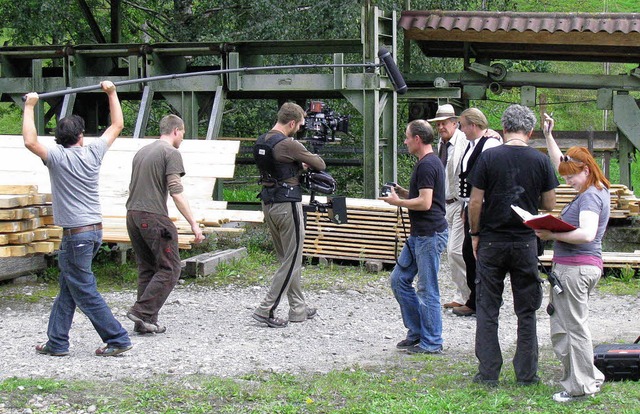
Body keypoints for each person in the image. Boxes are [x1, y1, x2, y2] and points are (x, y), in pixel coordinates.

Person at [23, 82, 133, 357]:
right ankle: (57, 341)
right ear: (81, 136)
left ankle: (117, 337)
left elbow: (29, 141)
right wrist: (111, 92)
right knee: (69, 286)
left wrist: (29, 106)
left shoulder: (56, 156)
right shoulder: (93, 152)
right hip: (93, 231)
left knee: (83, 289)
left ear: (59, 138)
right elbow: (117, 124)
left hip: (75, 235)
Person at [467, 104, 558, 385]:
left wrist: (475, 233)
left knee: (487, 308)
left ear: (503, 128)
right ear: (530, 131)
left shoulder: (488, 157)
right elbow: (550, 205)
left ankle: (489, 373)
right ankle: (527, 374)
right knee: (527, 310)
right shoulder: (540, 160)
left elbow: (475, 201)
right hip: (525, 242)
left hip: (492, 241)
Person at [536, 113, 608, 402]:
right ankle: (589, 375)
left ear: (586, 170)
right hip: (578, 268)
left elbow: (587, 234)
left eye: (571, 177)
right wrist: (549, 136)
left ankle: (580, 387)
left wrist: (552, 235)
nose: (567, 182)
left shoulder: (590, 197)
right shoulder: (597, 188)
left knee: (573, 328)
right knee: (566, 325)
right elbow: (561, 162)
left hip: (576, 269)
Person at [126, 114, 205, 334]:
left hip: (132, 214)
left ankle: (145, 322)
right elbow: (176, 190)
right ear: (176, 131)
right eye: (183, 134)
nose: (182, 138)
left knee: (148, 269)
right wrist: (194, 224)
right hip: (153, 217)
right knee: (170, 268)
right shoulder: (171, 152)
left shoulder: (142, 151)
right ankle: (142, 311)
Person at [252, 102, 325, 328]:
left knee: (287, 259)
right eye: (300, 125)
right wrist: (303, 162)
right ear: (291, 123)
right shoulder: (289, 144)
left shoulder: (262, 141)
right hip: (287, 204)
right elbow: (319, 164)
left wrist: (296, 167)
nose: (300, 129)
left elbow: (277, 167)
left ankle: (298, 308)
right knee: (293, 260)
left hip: (268, 203)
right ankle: (266, 310)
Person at [381, 119, 448, 354]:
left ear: (417, 139)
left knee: (427, 289)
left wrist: (398, 202)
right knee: (399, 280)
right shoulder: (427, 162)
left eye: (407, 137)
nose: (405, 141)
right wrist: (404, 193)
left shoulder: (428, 165)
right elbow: (423, 196)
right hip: (420, 234)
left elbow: (426, 202)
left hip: (429, 235)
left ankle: (432, 342)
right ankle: (417, 331)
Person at [453, 108, 502, 317]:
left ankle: (482, 300)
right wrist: (466, 206)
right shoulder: (473, 145)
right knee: (467, 253)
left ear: (473, 125)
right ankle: (476, 298)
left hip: (483, 206)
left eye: (463, 125)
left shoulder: (490, 145)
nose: (461, 130)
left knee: (476, 253)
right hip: (471, 204)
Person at [427, 104, 469, 309]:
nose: (441, 127)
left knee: (455, 251)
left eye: (444, 123)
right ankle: (463, 295)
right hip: (445, 204)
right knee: (454, 252)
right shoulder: (441, 143)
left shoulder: (463, 142)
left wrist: (465, 203)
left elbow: (467, 173)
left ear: (455, 123)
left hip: (459, 203)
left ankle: (471, 296)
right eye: (438, 124)